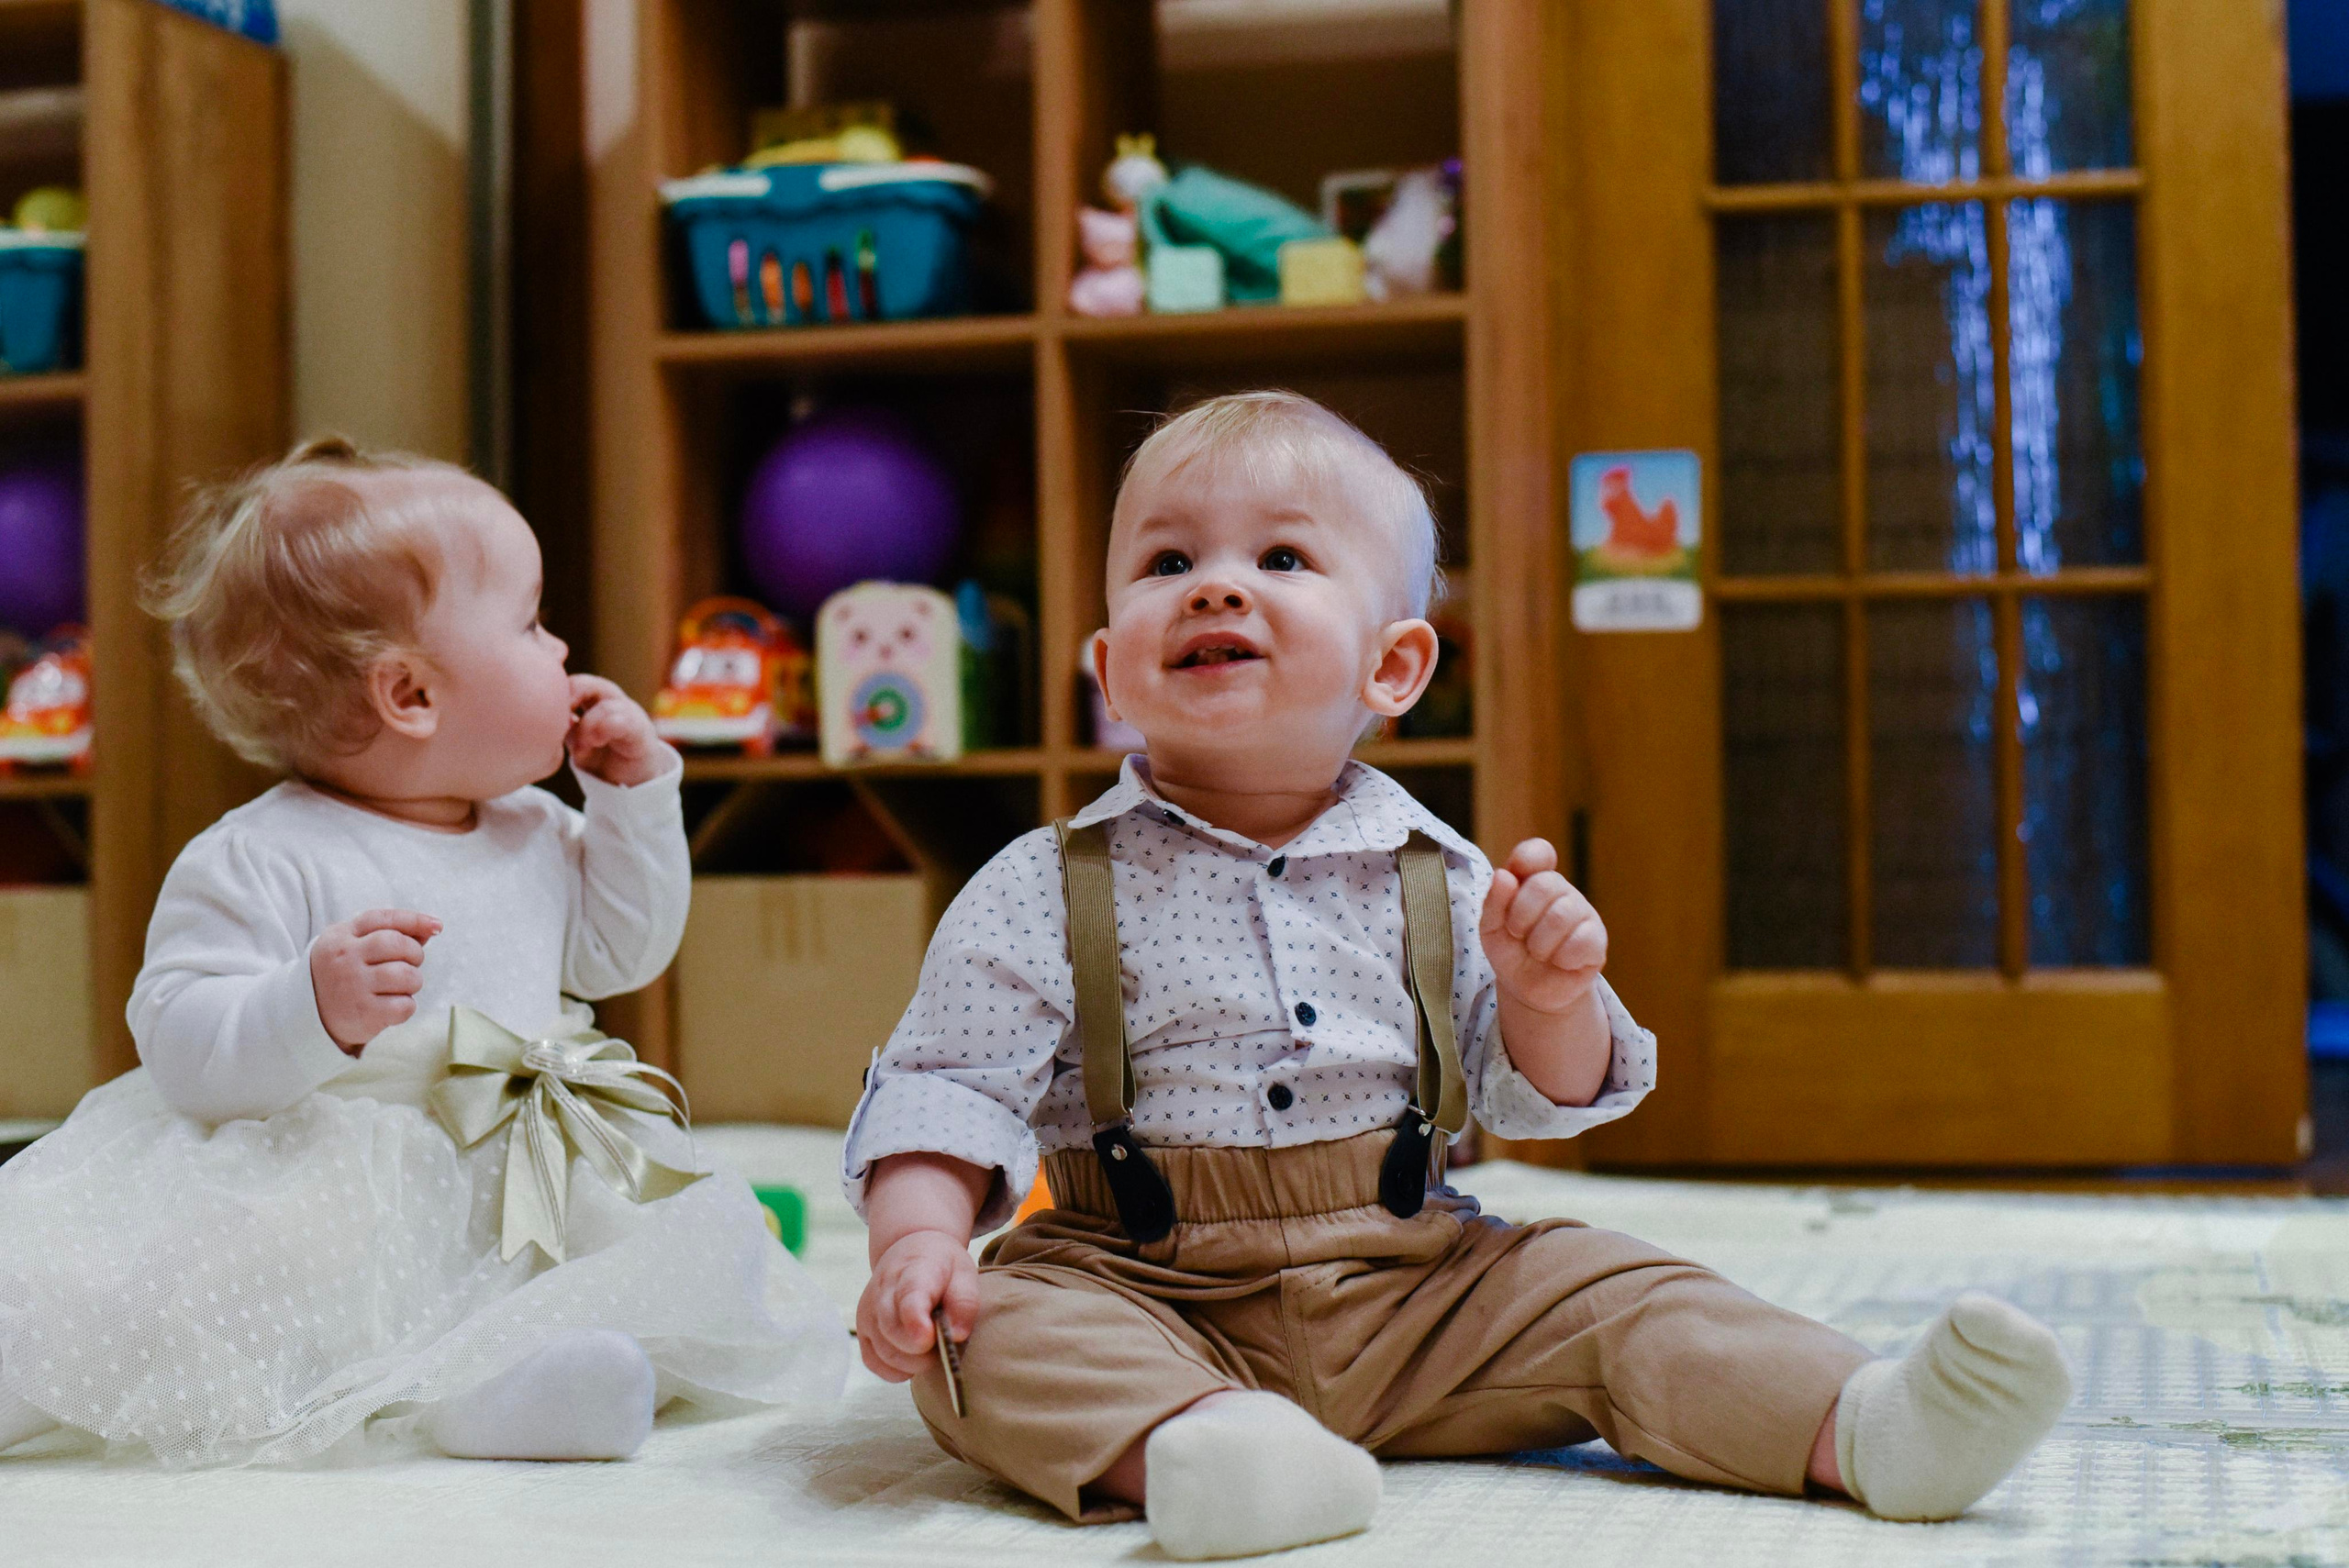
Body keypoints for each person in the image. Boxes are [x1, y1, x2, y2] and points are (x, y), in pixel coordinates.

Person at [841, 392, 2072, 1559]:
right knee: (984, 1335)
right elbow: (950, 1087)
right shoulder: (1043, 882)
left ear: (1394, 668)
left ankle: (1862, 1425)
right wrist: (918, 1242)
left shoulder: (1439, 871)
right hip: (1141, 1282)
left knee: (1615, 1287)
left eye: (1281, 559)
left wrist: (1548, 999)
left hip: (1414, 1281)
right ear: (1112, 673)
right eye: (1168, 564)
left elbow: (1537, 1094)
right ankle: (1203, 1450)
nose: (1215, 583)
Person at [0, 438, 845, 1468]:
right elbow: (179, 1040)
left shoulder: (531, 826)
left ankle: (512, 1387)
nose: (561, 644)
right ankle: (25, 1366)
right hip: (346, 1170)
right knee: (169, 1279)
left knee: (646, 1263)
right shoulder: (259, 855)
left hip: (526, 1158)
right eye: (531, 622)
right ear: (410, 695)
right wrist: (306, 1007)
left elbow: (624, 948)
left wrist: (633, 800)